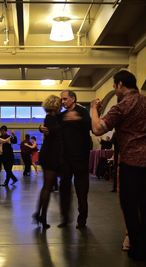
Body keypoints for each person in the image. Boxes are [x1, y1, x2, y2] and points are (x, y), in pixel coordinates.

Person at [91, 70, 146, 261]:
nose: (115, 90)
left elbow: (97, 129)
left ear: (120, 84)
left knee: (130, 205)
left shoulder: (122, 106)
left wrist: (93, 110)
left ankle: (137, 247)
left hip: (132, 162)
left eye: (114, 87)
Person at [57, 90, 91, 229]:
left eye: (65, 99)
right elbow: (54, 129)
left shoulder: (83, 112)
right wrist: (42, 129)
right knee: (64, 189)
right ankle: (65, 218)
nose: (63, 101)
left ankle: (82, 220)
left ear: (73, 98)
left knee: (81, 191)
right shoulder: (62, 115)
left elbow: (91, 126)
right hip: (65, 159)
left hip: (81, 158)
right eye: (62, 100)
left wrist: (78, 119)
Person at [33, 95, 63, 229]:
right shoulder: (53, 118)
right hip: (52, 154)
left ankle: (39, 214)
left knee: (47, 186)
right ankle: (42, 217)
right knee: (48, 187)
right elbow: (56, 133)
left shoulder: (50, 118)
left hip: (48, 153)